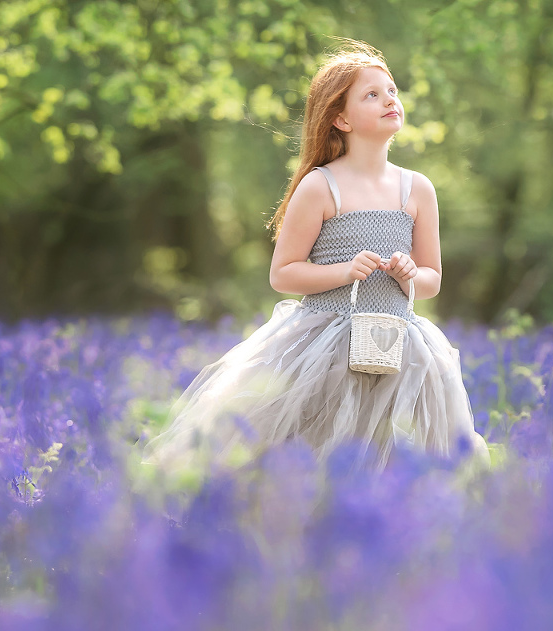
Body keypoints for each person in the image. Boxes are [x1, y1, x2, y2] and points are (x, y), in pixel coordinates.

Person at [143, 42, 489, 472]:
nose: (390, 100)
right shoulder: (321, 186)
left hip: (398, 341)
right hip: (326, 345)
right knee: (318, 448)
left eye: (393, 91)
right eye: (372, 95)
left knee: (390, 455)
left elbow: (431, 278)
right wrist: (344, 271)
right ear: (341, 119)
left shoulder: (417, 189)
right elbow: (283, 273)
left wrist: (407, 275)